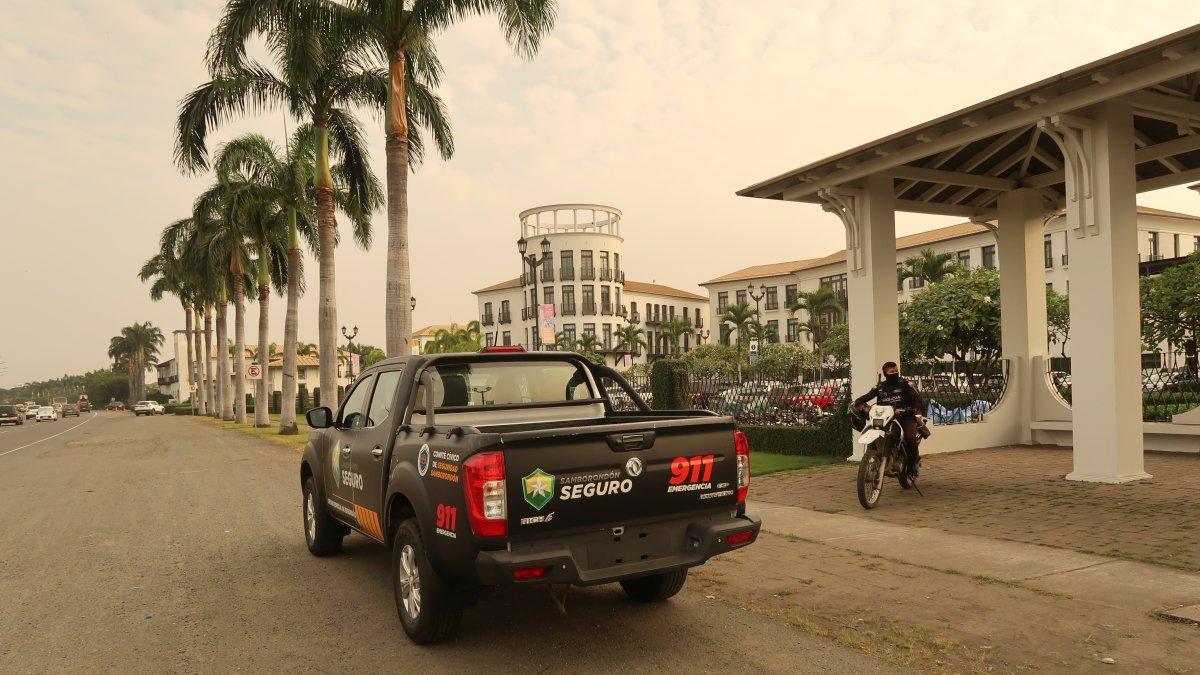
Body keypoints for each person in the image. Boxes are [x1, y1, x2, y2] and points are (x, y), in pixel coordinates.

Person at [853, 361, 926, 478]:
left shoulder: (905, 383)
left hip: (905, 416)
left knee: (911, 438)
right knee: (872, 430)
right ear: (885, 373)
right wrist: (858, 402)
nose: (895, 373)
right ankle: (876, 459)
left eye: (896, 371)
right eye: (891, 371)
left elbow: (917, 397)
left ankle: (911, 465)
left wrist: (915, 408)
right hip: (885, 417)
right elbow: (867, 396)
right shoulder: (880, 387)